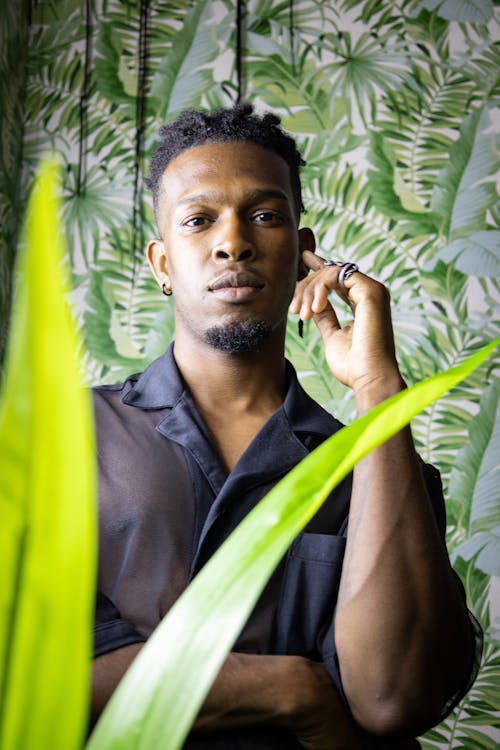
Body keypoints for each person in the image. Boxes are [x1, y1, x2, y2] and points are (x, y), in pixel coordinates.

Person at [90, 105, 481, 749]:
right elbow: (33, 660)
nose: (233, 241)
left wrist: (379, 391)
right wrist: (293, 693)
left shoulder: (378, 468)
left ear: (304, 253)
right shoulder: (67, 434)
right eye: (198, 220)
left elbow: (395, 698)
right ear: (162, 264)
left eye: (265, 216)